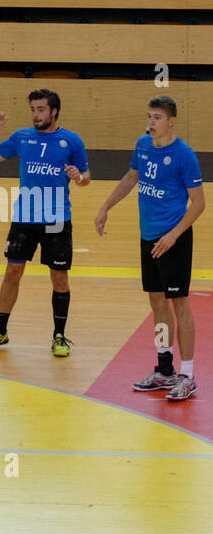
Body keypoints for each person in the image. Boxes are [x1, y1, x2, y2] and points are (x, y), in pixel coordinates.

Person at [94, 95, 205, 401]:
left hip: (175, 239)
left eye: (156, 118)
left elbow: (199, 204)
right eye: (149, 117)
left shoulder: (184, 156)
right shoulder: (143, 146)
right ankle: (165, 369)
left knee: (179, 303)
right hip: (148, 237)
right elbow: (131, 178)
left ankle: (188, 375)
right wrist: (105, 207)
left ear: (171, 121)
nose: (150, 123)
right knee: (156, 302)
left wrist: (173, 235)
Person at [0, 89, 90, 357]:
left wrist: (78, 177)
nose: (36, 115)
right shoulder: (22, 137)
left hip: (56, 219)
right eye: (32, 110)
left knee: (59, 276)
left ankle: (59, 336)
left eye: (41, 110)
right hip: (24, 218)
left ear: (54, 112)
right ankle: (0, 330)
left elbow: (86, 177)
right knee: (12, 272)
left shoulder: (71, 141)